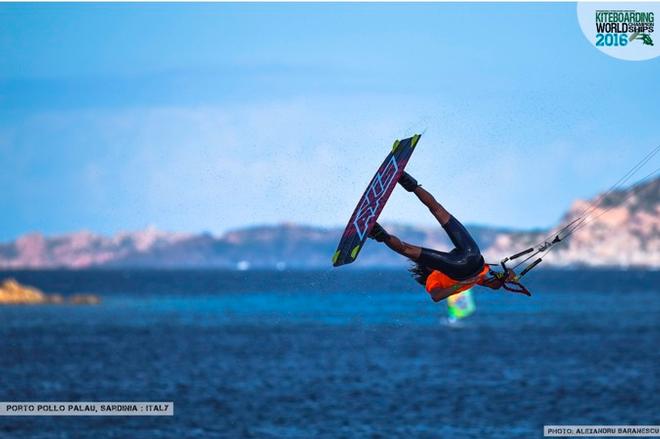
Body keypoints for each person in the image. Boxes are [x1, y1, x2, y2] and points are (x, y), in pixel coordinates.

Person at [368, 172, 530, 302]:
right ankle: (406, 185)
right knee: (436, 211)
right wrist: (506, 276)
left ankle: (381, 228)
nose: (434, 258)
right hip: (473, 255)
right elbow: (492, 284)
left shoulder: (433, 279)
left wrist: (500, 278)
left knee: (412, 243)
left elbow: (436, 296)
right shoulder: (435, 277)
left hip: (469, 260)